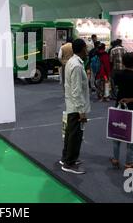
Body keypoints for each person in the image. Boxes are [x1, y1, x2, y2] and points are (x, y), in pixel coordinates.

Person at [60, 39, 90, 175]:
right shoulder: (77, 65)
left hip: (71, 104)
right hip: (76, 106)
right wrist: (81, 111)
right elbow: (77, 91)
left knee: (70, 133)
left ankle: (66, 157)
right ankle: (69, 163)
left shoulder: (72, 62)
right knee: (75, 135)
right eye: (86, 48)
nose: (88, 50)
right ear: (83, 48)